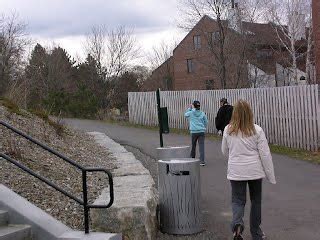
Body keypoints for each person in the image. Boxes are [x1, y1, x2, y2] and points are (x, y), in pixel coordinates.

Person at [221, 100, 276, 240]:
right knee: (256, 201)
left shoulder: (228, 129)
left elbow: (224, 151)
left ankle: (237, 228)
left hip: (236, 172)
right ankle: (256, 232)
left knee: (238, 201)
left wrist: (234, 159)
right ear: (249, 113)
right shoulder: (257, 130)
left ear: (235, 114)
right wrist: (270, 175)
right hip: (254, 171)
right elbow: (265, 154)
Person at [185, 100, 208, 166]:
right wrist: (203, 127)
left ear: (193, 106)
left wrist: (190, 108)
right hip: (201, 131)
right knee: (201, 146)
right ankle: (202, 161)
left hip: (194, 131)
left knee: (193, 145)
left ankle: (192, 158)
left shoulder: (190, 112)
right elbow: (206, 122)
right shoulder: (202, 113)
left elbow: (185, 115)